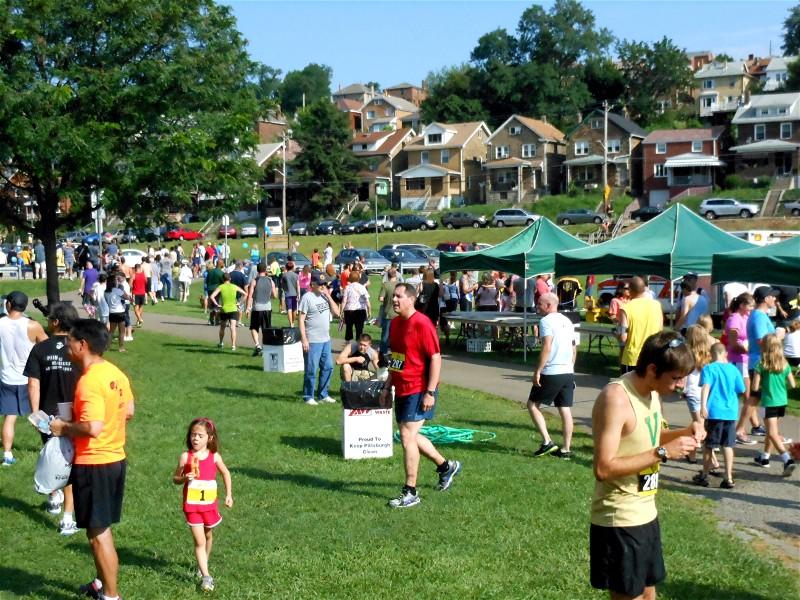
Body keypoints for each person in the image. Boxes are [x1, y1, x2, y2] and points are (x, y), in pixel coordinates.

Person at [590, 331, 702, 600]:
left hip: (646, 514)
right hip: (620, 519)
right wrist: (663, 453)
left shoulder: (652, 392)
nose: (681, 386)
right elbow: (603, 468)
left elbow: (651, 436)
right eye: (675, 378)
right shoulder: (616, 398)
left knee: (649, 594)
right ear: (652, 370)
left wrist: (686, 432)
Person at [49, 319, 135, 600]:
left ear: (82, 345)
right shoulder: (115, 373)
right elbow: (129, 411)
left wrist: (64, 427)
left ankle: (111, 595)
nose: (66, 345)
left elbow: (93, 427)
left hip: (94, 462)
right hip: (115, 458)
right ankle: (100, 583)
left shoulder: (89, 382)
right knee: (97, 529)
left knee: (99, 534)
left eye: (70, 341)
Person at [381, 283, 461, 509]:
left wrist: (430, 392)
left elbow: (435, 357)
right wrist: (387, 386)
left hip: (420, 388)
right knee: (410, 436)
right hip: (402, 387)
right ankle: (446, 467)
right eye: (394, 296)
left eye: (399, 296)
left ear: (411, 299)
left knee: (407, 437)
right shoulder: (395, 324)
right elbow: (397, 358)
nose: (394, 300)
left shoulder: (422, 323)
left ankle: (411, 492)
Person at [24, 301, 81, 534]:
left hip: (47, 413)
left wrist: (35, 413)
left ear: (56, 322)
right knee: (68, 462)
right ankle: (67, 517)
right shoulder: (79, 347)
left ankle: (53, 497)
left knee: (51, 454)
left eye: (49, 318)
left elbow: (33, 384)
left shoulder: (40, 349)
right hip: (72, 413)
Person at [172, 418, 233, 593]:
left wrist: (229, 495)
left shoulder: (215, 457)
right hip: (192, 507)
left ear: (210, 438)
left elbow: (226, 473)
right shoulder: (186, 457)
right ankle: (207, 576)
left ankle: (202, 564)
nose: (195, 439)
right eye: (193, 435)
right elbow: (175, 478)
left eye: (200, 435)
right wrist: (184, 478)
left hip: (209, 506)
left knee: (208, 536)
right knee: (199, 541)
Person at [527, 292, 576, 459]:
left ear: (549, 305)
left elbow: (547, 346)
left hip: (552, 370)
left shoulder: (546, 321)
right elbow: (574, 348)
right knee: (564, 409)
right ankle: (566, 449)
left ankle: (547, 441)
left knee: (533, 405)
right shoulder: (567, 321)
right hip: (567, 370)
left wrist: (538, 370)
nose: (537, 306)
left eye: (540, 303)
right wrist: (571, 367)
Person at [0, 291, 48, 465]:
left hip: (7, 377)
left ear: (9, 304)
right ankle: (49, 447)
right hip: (29, 378)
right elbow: (47, 345)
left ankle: (7, 455)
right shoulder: (32, 325)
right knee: (38, 413)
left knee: (10, 417)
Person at [692, 343, 745, 489]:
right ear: (725, 353)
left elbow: (706, 386)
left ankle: (704, 475)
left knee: (709, 445)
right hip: (730, 412)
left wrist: (703, 405)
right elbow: (741, 389)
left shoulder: (709, 368)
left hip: (714, 411)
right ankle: (728, 477)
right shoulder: (733, 369)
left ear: (711, 354)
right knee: (727, 445)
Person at [752, 334, 796, 476]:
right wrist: (781, 389)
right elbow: (793, 384)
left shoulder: (761, 364)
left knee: (772, 432)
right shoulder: (785, 364)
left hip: (769, 402)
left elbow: (754, 387)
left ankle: (787, 459)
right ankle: (765, 457)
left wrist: (763, 387)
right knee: (772, 430)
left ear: (764, 347)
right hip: (782, 402)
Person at [741, 287, 781, 442]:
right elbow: (761, 341)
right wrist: (778, 338)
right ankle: (740, 430)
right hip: (760, 362)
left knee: (757, 398)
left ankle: (772, 433)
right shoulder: (759, 317)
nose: (775, 299)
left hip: (760, 361)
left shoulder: (759, 315)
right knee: (759, 398)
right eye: (773, 297)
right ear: (766, 299)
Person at [298, 273, 340, 405]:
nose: (323, 286)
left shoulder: (324, 296)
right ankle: (308, 396)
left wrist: (328, 296)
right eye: (321, 284)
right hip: (312, 340)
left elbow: (337, 313)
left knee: (328, 367)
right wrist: (304, 339)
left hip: (325, 339)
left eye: (325, 284)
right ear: (313, 284)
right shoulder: (307, 298)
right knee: (311, 370)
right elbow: (301, 320)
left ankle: (323, 395)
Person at [618, 276, 663, 373]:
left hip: (632, 358)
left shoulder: (625, 308)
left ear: (630, 290)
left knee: (629, 383)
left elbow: (623, 337)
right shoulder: (657, 305)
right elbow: (660, 330)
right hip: (652, 355)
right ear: (644, 289)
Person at [209, 273, 248, 351]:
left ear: (223, 279)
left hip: (224, 309)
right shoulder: (234, 286)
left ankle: (221, 342)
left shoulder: (221, 287)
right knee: (233, 328)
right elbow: (245, 294)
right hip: (233, 309)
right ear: (230, 279)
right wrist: (240, 303)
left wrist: (217, 304)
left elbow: (212, 296)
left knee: (222, 327)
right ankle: (233, 346)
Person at [246, 262, 277, 357]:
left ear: (257, 270)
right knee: (266, 329)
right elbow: (274, 295)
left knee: (254, 327)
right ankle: (264, 348)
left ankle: (257, 345)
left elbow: (250, 295)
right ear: (265, 270)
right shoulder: (270, 281)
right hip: (267, 307)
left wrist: (248, 308)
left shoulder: (254, 281)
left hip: (257, 307)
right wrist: (269, 295)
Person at [341, 270, 370, 341]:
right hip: (360, 310)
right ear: (358, 278)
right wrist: (369, 311)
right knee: (359, 329)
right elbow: (367, 301)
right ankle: (358, 344)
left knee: (349, 328)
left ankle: (348, 344)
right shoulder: (362, 287)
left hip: (349, 310)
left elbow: (344, 301)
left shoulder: (347, 287)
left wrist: (341, 311)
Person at [105, 275, 130, 353]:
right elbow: (127, 297)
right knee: (121, 332)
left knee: (111, 332)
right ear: (113, 282)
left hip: (112, 312)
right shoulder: (117, 290)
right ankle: (121, 348)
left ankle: (107, 347)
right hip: (120, 312)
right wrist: (122, 290)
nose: (117, 281)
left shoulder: (106, 292)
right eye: (116, 280)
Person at [378, 267, 399, 354]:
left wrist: (387, 299)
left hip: (388, 313)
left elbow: (381, 298)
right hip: (399, 314)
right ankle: (397, 353)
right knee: (398, 335)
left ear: (388, 275)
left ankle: (383, 353)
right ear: (396, 275)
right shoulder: (400, 285)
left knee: (385, 335)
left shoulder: (386, 285)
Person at [205, 260, 225, 326]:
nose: (223, 264)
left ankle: (211, 320)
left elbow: (206, 281)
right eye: (223, 263)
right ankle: (216, 320)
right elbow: (223, 283)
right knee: (217, 304)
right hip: (217, 290)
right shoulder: (221, 273)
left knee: (211, 305)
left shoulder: (210, 271)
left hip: (209, 289)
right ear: (220, 264)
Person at [281, 261, 299, 327]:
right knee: (294, 308)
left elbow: (282, 284)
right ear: (293, 267)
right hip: (294, 294)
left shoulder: (284, 275)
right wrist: (298, 294)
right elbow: (298, 285)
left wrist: (285, 289)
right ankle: (293, 322)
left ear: (286, 267)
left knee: (289, 308)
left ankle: (291, 323)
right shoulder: (296, 275)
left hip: (288, 293)